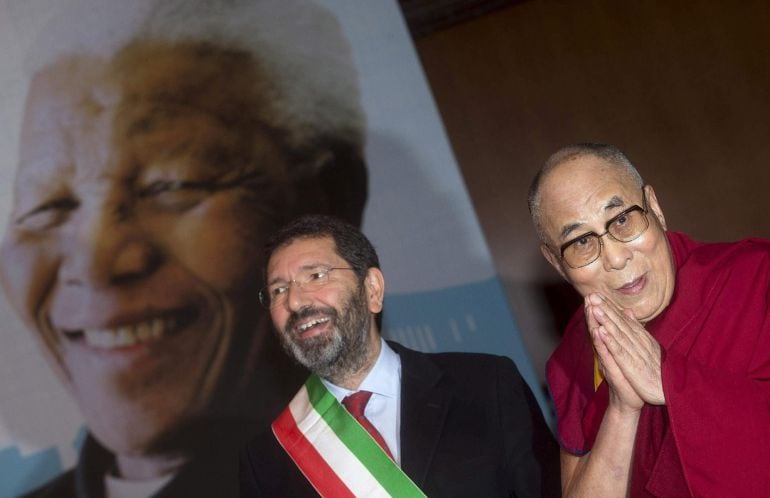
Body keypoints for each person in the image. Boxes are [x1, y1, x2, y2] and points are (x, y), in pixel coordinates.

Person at [0, 1, 367, 496]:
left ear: (330, 200)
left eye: (172, 185)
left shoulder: (418, 458)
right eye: (48, 205)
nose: (96, 261)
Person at [239, 214, 560, 497]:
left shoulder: (486, 385)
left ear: (372, 290)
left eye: (316, 275)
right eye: (278, 290)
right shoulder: (271, 456)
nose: (294, 301)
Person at [528, 143, 770, 497]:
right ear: (556, 263)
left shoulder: (756, 277)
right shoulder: (576, 357)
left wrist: (669, 380)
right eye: (581, 241)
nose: (614, 256)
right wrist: (622, 409)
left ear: (654, 207)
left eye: (622, 220)